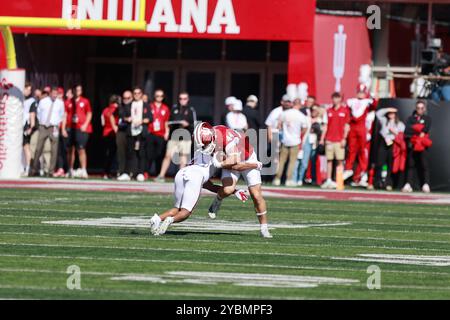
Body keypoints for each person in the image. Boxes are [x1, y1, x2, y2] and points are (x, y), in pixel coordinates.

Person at [149, 133, 249, 236]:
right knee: (186, 212)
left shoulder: (199, 151)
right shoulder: (219, 152)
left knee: (177, 208)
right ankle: (170, 220)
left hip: (182, 173)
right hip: (196, 176)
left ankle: (157, 218)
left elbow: (210, 186)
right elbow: (235, 164)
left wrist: (235, 191)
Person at [206, 123, 272, 238]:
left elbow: (237, 165)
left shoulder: (227, 142)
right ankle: (218, 200)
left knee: (256, 195)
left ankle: (264, 227)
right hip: (231, 159)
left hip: (247, 158)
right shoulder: (213, 133)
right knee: (227, 190)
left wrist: (254, 164)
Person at [154, 92, 196, 182]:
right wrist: (167, 132)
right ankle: (161, 175)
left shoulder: (191, 110)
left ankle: (180, 177)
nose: (182, 100)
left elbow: (194, 124)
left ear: (188, 99)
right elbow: (168, 121)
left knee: (183, 157)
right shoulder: (174, 108)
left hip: (185, 137)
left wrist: (187, 124)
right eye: (181, 98)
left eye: (184, 99)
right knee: (167, 155)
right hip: (174, 136)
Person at [344, 84, 378, 186]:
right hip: (353, 127)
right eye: (359, 92)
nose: (361, 94)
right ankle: (349, 168)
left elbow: (374, 106)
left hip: (362, 127)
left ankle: (363, 172)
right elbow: (347, 113)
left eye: (363, 92)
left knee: (363, 150)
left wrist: (373, 98)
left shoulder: (367, 102)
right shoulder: (351, 101)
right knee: (351, 149)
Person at [272, 97, 308, 186]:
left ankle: (277, 179)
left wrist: (285, 131)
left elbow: (278, 125)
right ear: (299, 105)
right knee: (292, 162)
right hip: (295, 140)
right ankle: (288, 179)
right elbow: (305, 128)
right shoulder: (301, 116)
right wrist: (298, 133)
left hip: (285, 140)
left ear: (292, 104)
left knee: (281, 161)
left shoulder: (284, 113)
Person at [30, 87, 65, 177]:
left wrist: (56, 123)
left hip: (54, 127)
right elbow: (38, 113)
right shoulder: (43, 101)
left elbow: (61, 114)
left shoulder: (60, 103)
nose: (54, 95)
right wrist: (43, 122)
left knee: (54, 150)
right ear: (50, 94)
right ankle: (34, 169)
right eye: (53, 93)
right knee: (38, 148)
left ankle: (51, 171)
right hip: (43, 126)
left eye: (56, 94)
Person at [320, 92, 350, 189]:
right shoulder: (328, 111)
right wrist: (322, 139)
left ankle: (339, 181)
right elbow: (325, 126)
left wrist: (344, 138)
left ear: (340, 99)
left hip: (339, 139)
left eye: (337, 98)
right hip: (329, 139)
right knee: (329, 160)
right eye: (334, 98)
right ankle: (328, 180)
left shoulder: (345, 111)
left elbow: (347, 126)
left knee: (340, 160)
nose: (335, 100)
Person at [402, 100, 432, 193]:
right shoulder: (410, 118)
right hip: (412, 144)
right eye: (418, 108)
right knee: (410, 165)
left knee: (424, 165)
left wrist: (417, 129)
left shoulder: (427, 118)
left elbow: (425, 129)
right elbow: (407, 131)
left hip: (422, 145)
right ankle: (408, 184)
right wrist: (418, 130)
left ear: (424, 109)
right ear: (416, 108)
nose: (420, 110)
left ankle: (426, 184)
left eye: (422, 108)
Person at [375, 108, 406, 190]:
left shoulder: (399, 124)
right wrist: (387, 109)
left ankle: (388, 183)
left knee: (390, 164)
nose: (391, 115)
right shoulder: (384, 121)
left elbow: (402, 133)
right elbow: (378, 114)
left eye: (393, 113)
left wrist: (394, 132)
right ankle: (378, 182)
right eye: (389, 113)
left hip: (393, 144)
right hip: (383, 142)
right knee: (379, 163)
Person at [126, 87, 152, 182]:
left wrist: (141, 121)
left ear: (141, 94)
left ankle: (140, 172)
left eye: (138, 93)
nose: (137, 95)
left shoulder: (146, 105)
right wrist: (127, 119)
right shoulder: (129, 105)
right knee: (130, 153)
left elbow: (150, 118)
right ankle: (130, 172)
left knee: (141, 153)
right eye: (135, 93)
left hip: (142, 131)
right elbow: (123, 115)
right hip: (131, 131)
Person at [294, 105, 324, 186]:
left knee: (314, 162)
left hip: (315, 142)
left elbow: (322, 131)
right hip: (306, 141)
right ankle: (300, 179)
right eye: (312, 110)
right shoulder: (306, 119)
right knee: (304, 162)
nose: (314, 112)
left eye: (316, 110)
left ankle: (314, 180)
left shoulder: (320, 120)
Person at [68, 84, 92, 179]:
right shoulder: (69, 102)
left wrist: (85, 124)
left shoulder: (85, 101)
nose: (77, 92)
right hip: (71, 128)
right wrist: (64, 128)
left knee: (81, 149)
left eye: (79, 90)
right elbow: (65, 114)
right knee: (71, 150)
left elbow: (89, 113)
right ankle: (70, 169)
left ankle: (83, 169)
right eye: (75, 90)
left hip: (81, 128)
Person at [147, 89, 170, 177]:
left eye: (161, 96)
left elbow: (166, 121)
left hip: (161, 134)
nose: (159, 97)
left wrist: (167, 132)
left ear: (163, 97)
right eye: (157, 96)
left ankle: (158, 173)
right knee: (149, 154)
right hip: (151, 133)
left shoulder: (165, 108)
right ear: (154, 96)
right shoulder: (150, 106)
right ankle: (146, 173)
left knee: (159, 155)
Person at [101, 95, 120, 179]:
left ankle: (106, 172)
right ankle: (114, 171)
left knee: (107, 153)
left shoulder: (105, 110)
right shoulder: (117, 110)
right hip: (114, 133)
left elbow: (102, 123)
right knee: (115, 154)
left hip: (106, 132)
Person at [117, 90, 133, 180]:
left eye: (128, 98)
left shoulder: (134, 106)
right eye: (124, 98)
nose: (126, 100)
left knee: (130, 152)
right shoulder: (120, 106)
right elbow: (120, 117)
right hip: (121, 131)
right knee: (121, 152)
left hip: (131, 131)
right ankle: (121, 171)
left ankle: (129, 172)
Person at [22, 83, 37, 176]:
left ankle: (27, 168)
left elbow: (32, 115)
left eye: (29, 89)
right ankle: (20, 167)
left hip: (25, 126)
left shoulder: (31, 101)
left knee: (26, 147)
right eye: (27, 89)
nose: (28, 91)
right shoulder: (19, 98)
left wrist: (31, 127)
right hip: (16, 126)